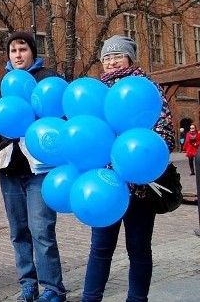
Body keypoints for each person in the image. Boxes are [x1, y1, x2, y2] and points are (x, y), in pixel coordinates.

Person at [81, 35, 175, 302]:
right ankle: (90, 299)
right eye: (107, 57)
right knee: (100, 249)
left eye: (117, 56)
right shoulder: (94, 92)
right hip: (104, 185)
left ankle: (137, 299)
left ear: (130, 58)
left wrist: (138, 154)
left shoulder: (148, 89)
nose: (111, 62)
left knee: (139, 249)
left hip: (141, 185)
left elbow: (164, 133)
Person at [0, 32, 66, 302]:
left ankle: (53, 288)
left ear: (32, 52)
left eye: (23, 49)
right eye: (13, 50)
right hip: (10, 168)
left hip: (41, 168)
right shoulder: (0, 84)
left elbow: (61, 115)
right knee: (18, 230)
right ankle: (28, 284)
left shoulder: (48, 79)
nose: (18, 55)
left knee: (41, 229)